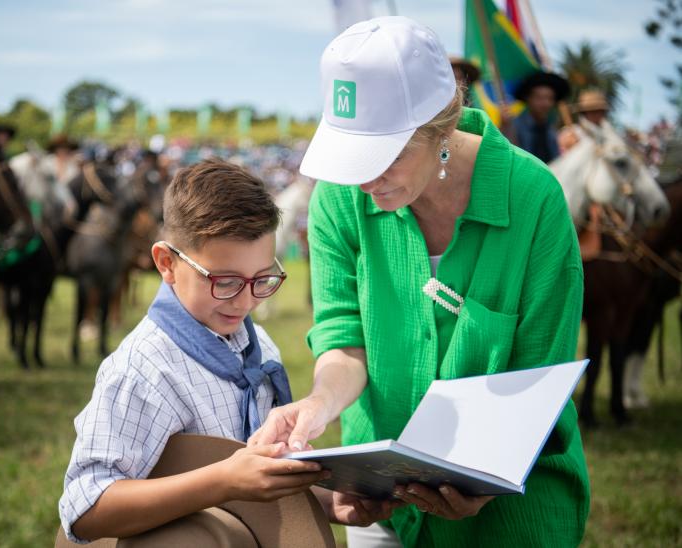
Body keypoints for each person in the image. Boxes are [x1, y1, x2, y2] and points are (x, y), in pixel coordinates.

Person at [249, 16, 590, 547]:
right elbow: (345, 338)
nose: (365, 179)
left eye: (384, 155)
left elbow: (538, 375)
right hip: (381, 501)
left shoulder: (535, 201)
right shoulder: (339, 199)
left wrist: (482, 480)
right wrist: (318, 406)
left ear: (441, 127)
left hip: (513, 507)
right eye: (351, 155)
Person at [58, 159, 397, 542]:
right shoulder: (144, 370)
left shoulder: (259, 345)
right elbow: (85, 509)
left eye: (263, 279)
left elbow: (253, 492)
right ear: (167, 263)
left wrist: (325, 502)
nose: (245, 300)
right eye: (225, 281)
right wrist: (222, 481)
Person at [509, 70, 570, 163]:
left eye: (550, 98)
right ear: (527, 99)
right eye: (539, 98)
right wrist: (506, 128)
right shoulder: (513, 126)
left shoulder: (551, 129)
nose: (545, 103)